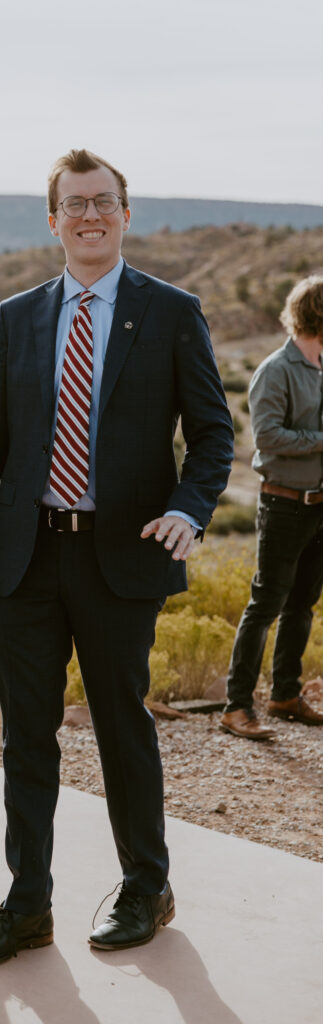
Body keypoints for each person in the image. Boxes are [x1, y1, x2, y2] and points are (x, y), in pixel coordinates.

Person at [0, 148, 233, 967]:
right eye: (74, 203)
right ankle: (27, 904)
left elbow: (213, 434)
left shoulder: (171, 311)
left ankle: (146, 884)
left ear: (125, 214)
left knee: (119, 730)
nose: (90, 215)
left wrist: (187, 507)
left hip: (119, 562)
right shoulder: (18, 315)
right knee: (24, 740)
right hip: (28, 560)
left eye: (103, 201)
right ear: (52, 219)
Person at [220, 275, 323, 740]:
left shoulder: (319, 366)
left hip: (319, 505)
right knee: (266, 604)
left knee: (302, 604)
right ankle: (236, 707)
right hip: (283, 504)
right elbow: (266, 439)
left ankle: (285, 695)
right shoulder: (275, 370)